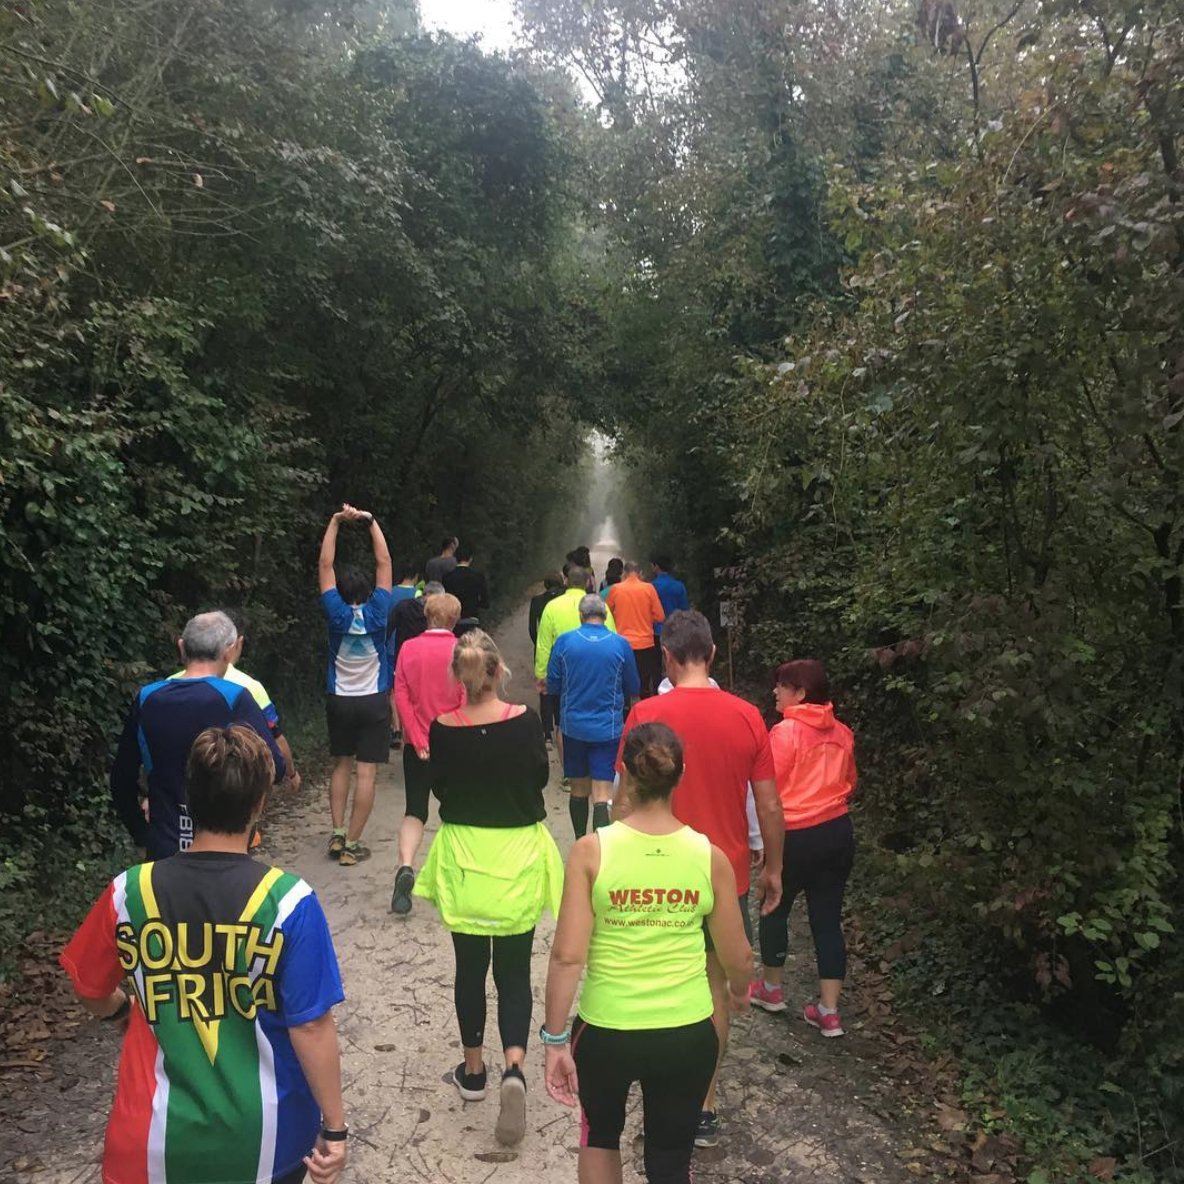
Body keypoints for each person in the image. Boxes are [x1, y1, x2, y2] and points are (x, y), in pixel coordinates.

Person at [63, 725, 348, 1184]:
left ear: (188, 798)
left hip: (147, 1142)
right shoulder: (289, 902)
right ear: (259, 803)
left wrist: (122, 1012)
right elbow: (311, 1025)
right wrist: (335, 1127)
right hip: (262, 1142)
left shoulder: (128, 892)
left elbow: (89, 986)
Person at [542, 723, 752, 1184]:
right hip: (686, 1031)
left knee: (599, 1138)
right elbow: (737, 956)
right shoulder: (708, 856)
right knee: (671, 1157)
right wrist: (739, 990)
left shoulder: (591, 852)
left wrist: (554, 1039)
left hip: (607, 1030)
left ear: (623, 774)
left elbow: (567, 958)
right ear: (681, 775)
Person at [617, 610, 783, 1149]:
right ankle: (703, 1104)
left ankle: (657, 1099)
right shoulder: (748, 716)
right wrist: (773, 865)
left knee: (652, 982)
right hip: (723, 874)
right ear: (710, 654)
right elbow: (770, 804)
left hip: (653, 871)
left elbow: (623, 800)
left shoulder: (646, 712)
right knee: (713, 988)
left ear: (666, 655)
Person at [413, 631, 562, 1147]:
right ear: (498, 672)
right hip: (517, 855)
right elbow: (539, 778)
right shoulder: (525, 722)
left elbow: (441, 789)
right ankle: (515, 1068)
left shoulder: (443, 728)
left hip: (465, 857)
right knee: (515, 971)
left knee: (470, 968)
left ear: (460, 676)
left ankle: (473, 1071)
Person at [111, 611, 287, 860]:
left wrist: (142, 834)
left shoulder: (146, 698)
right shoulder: (235, 698)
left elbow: (121, 781)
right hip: (225, 850)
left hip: (164, 848)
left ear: (181, 648)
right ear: (230, 651)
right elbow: (275, 768)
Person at [750, 660, 857, 1037]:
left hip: (795, 833)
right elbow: (850, 781)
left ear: (801, 693)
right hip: (838, 831)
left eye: (782, 686)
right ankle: (829, 1011)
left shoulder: (784, 733)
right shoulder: (843, 732)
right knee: (827, 919)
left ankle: (771, 988)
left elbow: (768, 793)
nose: (775, 691)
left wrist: (762, 842)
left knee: (773, 903)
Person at [169, 608, 301, 850]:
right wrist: (290, 773)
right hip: (231, 809)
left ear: (183, 646)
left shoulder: (165, 688)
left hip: (173, 816)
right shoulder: (248, 688)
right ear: (234, 646)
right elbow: (275, 743)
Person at [319, 505, 393, 867]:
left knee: (341, 766)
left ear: (342, 590)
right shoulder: (380, 610)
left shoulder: (334, 612)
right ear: (368, 589)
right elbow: (384, 562)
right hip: (373, 700)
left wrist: (335, 522)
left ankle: (335, 833)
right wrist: (370, 522)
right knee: (367, 772)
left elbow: (325, 566)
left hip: (339, 700)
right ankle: (352, 843)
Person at [390, 592, 465, 915]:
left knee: (414, 811)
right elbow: (465, 697)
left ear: (427, 617)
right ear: (454, 620)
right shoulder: (461, 650)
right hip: (453, 742)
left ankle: (406, 866)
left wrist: (417, 737)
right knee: (458, 813)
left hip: (416, 745)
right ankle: (454, 879)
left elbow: (401, 697)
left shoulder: (408, 648)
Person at [548, 595, 638, 837]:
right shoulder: (620, 644)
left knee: (578, 789)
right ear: (606, 616)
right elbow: (633, 686)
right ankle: (599, 850)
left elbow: (553, 685)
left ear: (580, 615)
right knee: (602, 793)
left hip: (573, 727)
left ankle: (579, 841)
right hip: (607, 729)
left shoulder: (565, 642)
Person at [606, 560, 666, 699]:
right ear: (639, 573)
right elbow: (660, 616)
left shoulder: (616, 589)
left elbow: (605, 613)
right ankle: (644, 715)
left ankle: (625, 714)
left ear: (624, 574)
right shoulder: (649, 589)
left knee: (622, 683)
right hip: (645, 644)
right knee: (644, 684)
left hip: (622, 644)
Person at [386, 563, 422, 748]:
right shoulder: (418, 595)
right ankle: (412, 726)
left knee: (394, 689)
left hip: (392, 647)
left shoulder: (389, 592)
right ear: (416, 575)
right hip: (414, 650)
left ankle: (396, 728)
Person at [529, 571, 566, 744]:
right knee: (560, 686)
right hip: (560, 649)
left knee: (544, 690)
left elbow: (532, 628)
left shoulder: (536, 601)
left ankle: (547, 732)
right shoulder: (562, 601)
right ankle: (560, 723)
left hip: (543, 648)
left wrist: (538, 643)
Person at [390, 579, 444, 664]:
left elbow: (389, 629)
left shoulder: (403, 605)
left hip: (402, 657)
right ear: (429, 594)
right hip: (426, 659)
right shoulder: (435, 615)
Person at [443, 543, 491, 621]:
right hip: (472, 618)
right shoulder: (478, 577)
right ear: (470, 558)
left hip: (454, 620)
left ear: (455, 558)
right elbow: (485, 603)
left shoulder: (447, 577)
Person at [650, 556, 690, 635]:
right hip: (676, 630)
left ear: (657, 566)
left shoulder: (651, 587)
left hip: (658, 631)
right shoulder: (679, 586)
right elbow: (685, 610)